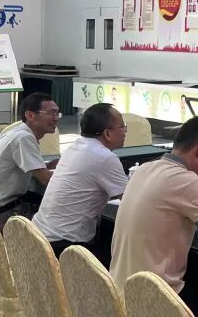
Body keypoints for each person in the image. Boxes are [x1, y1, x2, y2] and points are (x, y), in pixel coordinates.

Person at [110, 117, 198, 295]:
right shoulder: (188, 181)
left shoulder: (145, 169)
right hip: (154, 298)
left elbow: (172, 215)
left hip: (118, 291)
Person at [32, 104, 130, 257]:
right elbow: (130, 200)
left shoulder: (75, 147)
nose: (125, 132)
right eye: (123, 127)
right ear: (107, 133)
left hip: (38, 235)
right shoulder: (105, 158)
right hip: (65, 247)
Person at [0, 92, 60, 228]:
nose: (56, 118)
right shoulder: (24, 138)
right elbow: (46, 179)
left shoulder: (14, 133)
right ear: (30, 115)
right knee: (61, 220)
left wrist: (46, 166)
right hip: (1, 214)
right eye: (51, 113)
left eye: (57, 113)